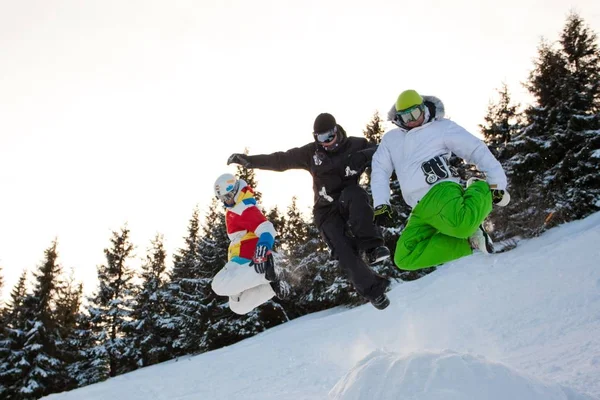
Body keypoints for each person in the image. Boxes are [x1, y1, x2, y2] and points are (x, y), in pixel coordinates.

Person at [227, 113, 392, 310]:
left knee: (356, 194)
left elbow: (383, 152)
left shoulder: (356, 145)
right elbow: (282, 160)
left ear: (336, 131)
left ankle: (373, 247)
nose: (326, 143)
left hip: (348, 199)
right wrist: (250, 161)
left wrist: (363, 156)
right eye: (320, 139)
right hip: (326, 211)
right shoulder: (311, 153)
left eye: (329, 137)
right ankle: (374, 291)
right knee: (343, 250)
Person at [371, 90, 511, 271]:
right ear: (398, 118)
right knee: (405, 257)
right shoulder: (391, 139)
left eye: (414, 113)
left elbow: (475, 149)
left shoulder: (441, 128)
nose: (412, 120)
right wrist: (381, 204)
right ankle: (469, 243)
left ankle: (479, 188)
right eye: (405, 117)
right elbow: (380, 170)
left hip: (439, 190)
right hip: (419, 207)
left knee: (462, 225)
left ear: (423, 108)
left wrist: (496, 183)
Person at [211, 173, 289, 315]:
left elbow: (267, 228)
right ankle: (273, 286)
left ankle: (267, 272)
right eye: (222, 199)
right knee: (238, 306)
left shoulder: (243, 207)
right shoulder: (236, 208)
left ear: (235, 190)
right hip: (238, 259)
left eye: (228, 196)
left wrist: (263, 247)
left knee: (218, 285)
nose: (226, 202)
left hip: (246, 259)